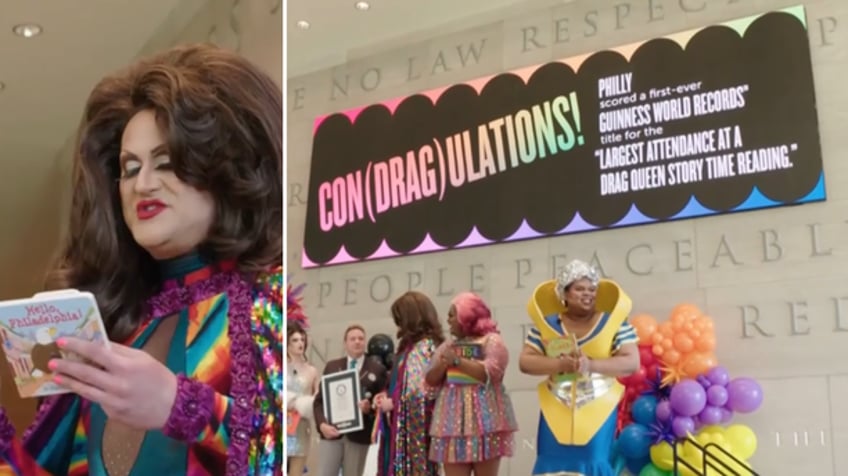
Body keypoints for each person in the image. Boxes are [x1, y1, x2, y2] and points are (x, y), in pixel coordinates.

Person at [0, 43, 283, 476]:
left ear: (230, 168)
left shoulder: (269, 303)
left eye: (166, 162)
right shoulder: (109, 324)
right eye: (129, 168)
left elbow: (284, 452)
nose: (142, 185)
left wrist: (181, 406)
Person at [519, 259, 640, 476]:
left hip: (598, 408)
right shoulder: (547, 325)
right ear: (564, 294)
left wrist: (591, 365)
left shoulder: (613, 322)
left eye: (592, 289)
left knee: (593, 460)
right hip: (555, 406)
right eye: (580, 289)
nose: (588, 294)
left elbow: (631, 361)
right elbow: (525, 361)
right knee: (551, 461)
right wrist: (559, 364)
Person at [424, 292, 518, 476]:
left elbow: (491, 374)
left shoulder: (492, 341)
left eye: (452, 315)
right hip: (452, 424)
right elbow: (430, 381)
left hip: (486, 423)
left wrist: (458, 361)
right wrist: (444, 363)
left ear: (465, 317)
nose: (448, 320)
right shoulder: (449, 345)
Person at [375, 291, 444, 476]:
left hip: (414, 431)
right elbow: (400, 381)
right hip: (398, 428)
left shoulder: (425, 347)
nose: (398, 324)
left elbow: (420, 391)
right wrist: (385, 394)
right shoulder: (408, 348)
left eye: (399, 319)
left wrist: (395, 402)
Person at [314, 325, 388, 476]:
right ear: (345, 343)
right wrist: (322, 425)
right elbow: (319, 402)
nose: (357, 342)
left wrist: (370, 408)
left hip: (358, 435)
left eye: (361, 338)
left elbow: (382, 403)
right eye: (352, 339)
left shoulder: (377, 369)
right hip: (332, 432)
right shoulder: (332, 366)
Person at [287, 323, 319, 476]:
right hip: (281, 424)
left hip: (300, 425)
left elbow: (317, 399)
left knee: (296, 472)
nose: (300, 343)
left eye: (302, 340)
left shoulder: (311, 370)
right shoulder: (278, 366)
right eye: (295, 340)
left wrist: (306, 404)